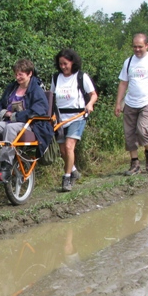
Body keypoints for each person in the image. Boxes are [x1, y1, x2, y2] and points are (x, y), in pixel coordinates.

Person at [0, 59, 53, 182]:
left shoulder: (36, 90)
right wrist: (2, 113)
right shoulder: (11, 88)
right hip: (9, 121)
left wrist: (16, 116)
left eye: (21, 74)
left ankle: (5, 168)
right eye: (16, 74)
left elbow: (39, 109)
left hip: (29, 125)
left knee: (10, 128)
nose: (18, 77)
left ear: (29, 73)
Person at [114, 33, 148, 176]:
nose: (137, 49)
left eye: (140, 47)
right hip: (130, 102)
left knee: (142, 130)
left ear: (147, 45)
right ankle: (135, 163)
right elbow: (123, 83)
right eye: (135, 46)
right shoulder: (129, 61)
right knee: (129, 133)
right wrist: (118, 102)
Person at [51, 49, 98, 191]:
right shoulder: (55, 78)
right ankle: (74, 171)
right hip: (60, 118)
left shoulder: (81, 77)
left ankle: (67, 177)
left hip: (77, 116)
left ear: (73, 62)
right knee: (63, 151)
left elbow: (93, 94)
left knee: (69, 146)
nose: (63, 67)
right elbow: (51, 98)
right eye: (60, 64)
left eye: (65, 63)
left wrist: (90, 104)